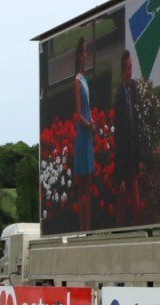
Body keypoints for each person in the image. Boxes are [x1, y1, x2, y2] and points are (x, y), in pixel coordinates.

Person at [112, 49, 144, 226]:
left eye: (132, 67)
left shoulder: (133, 88)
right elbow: (118, 137)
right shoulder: (118, 97)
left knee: (137, 203)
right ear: (123, 70)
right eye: (128, 68)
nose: (131, 71)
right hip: (123, 160)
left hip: (133, 155)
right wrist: (120, 175)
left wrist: (139, 157)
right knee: (122, 206)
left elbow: (136, 125)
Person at [72, 37, 95, 231]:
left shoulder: (85, 79)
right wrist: (88, 124)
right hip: (83, 133)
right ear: (79, 56)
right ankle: (81, 225)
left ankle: (88, 224)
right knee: (82, 187)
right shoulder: (78, 81)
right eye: (84, 52)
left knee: (89, 184)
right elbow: (79, 113)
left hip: (89, 133)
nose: (86, 55)